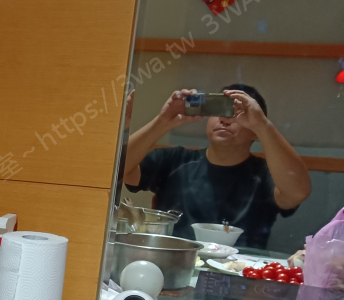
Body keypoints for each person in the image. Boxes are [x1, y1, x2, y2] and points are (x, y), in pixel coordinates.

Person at [122, 84, 311, 248]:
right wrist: (162, 122)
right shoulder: (176, 160)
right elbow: (121, 169)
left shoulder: (265, 172)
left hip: (240, 270)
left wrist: (263, 126)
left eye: (237, 114)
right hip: (176, 262)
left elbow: (297, 193)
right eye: (219, 109)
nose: (224, 119)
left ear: (255, 131)